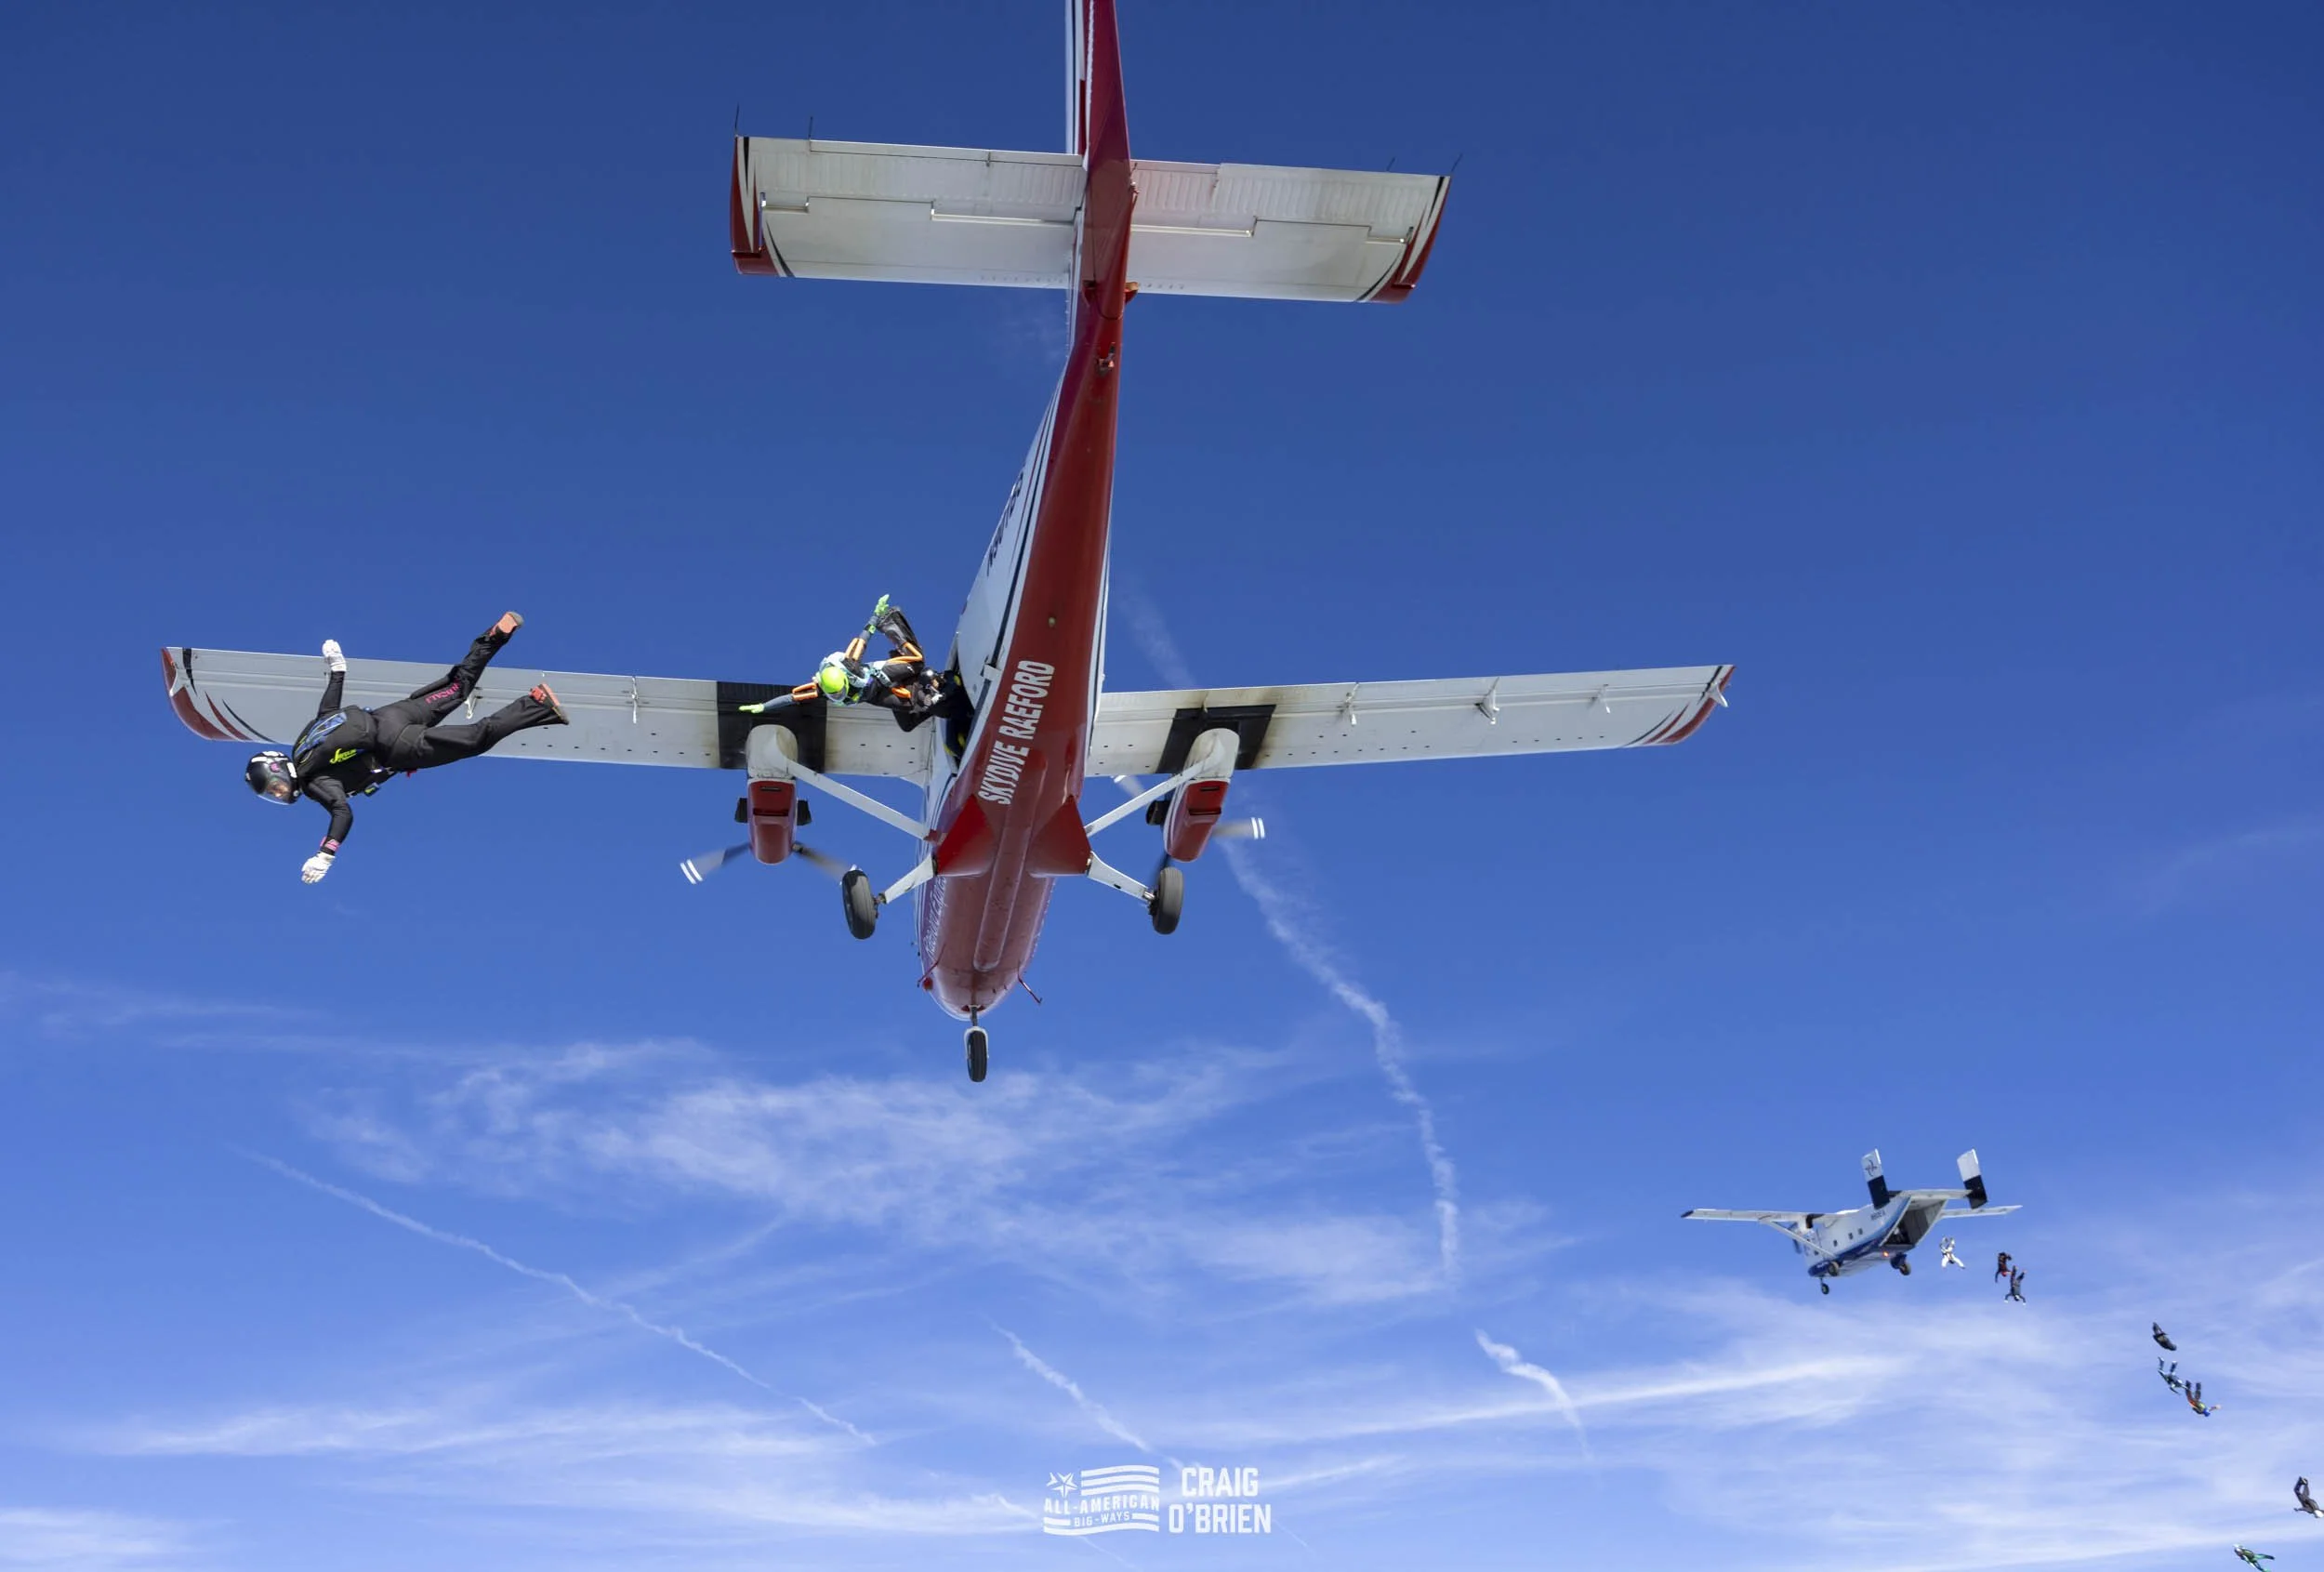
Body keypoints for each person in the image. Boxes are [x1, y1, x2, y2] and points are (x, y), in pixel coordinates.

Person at [244, 613, 566, 883]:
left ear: (278, 768)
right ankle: (493, 638)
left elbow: (343, 812)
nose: (279, 793)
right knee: (457, 686)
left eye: (274, 786)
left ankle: (536, 704)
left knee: (473, 739)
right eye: (272, 794)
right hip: (392, 715)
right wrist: (337, 667)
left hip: (397, 746)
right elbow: (328, 710)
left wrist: (325, 854)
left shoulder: (313, 782)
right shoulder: (304, 743)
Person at [738, 595, 970, 735]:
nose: (839, 695)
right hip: (875, 695)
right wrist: (763, 706)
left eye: (840, 690)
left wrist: (876, 616)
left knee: (917, 661)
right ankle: (933, 698)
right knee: (910, 714)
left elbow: (863, 638)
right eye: (835, 694)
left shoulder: (849, 663)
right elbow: (791, 698)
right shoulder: (821, 689)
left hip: (878, 676)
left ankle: (931, 676)